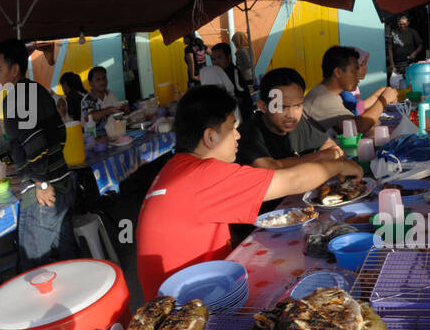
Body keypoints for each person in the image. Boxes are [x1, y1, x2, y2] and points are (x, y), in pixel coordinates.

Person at [136, 86, 362, 298]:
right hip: (190, 305)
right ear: (210, 137)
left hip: (183, 293)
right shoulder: (203, 175)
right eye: (232, 128)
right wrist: (340, 165)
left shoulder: (175, 168)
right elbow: (294, 180)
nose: (238, 136)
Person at [0, 38, 78, 270]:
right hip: (63, 184)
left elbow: (34, 141)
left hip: (43, 195)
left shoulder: (15, 99)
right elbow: (60, 133)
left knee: (34, 268)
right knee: (70, 259)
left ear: (15, 70)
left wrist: (41, 182)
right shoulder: (37, 90)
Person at [237, 67, 343, 169]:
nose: (291, 115)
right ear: (263, 107)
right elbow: (270, 168)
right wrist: (319, 157)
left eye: (297, 105)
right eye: (282, 107)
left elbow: (330, 146)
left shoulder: (298, 123)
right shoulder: (248, 133)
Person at [302, 46, 398, 134]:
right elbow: (357, 127)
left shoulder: (332, 95)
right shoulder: (322, 98)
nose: (357, 75)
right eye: (354, 71)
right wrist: (383, 100)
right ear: (338, 72)